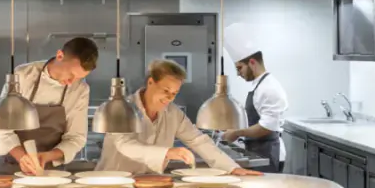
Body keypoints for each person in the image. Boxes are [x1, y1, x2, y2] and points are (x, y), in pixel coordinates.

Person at [99, 59, 263, 176]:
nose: (170, 98)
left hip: (150, 184)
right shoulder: (122, 109)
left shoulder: (173, 113)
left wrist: (231, 168)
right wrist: (168, 152)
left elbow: (198, 140)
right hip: (113, 182)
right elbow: (125, 146)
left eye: (174, 93)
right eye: (165, 91)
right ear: (150, 82)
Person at [0, 37, 98, 175]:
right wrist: (22, 157)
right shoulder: (22, 75)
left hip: (50, 172)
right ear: (60, 55)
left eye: (79, 77)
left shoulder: (80, 89)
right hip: (11, 167)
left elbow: (76, 137)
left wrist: (48, 156)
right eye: (71, 74)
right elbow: (2, 126)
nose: (72, 82)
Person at [220, 22, 289, 174]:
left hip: (268, 153)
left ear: (252, 62)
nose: (238, 73)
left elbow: (266, 127)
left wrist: (237, 132)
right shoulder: (259, 85)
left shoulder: (270, 88)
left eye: (239, 68)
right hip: (258, 149)